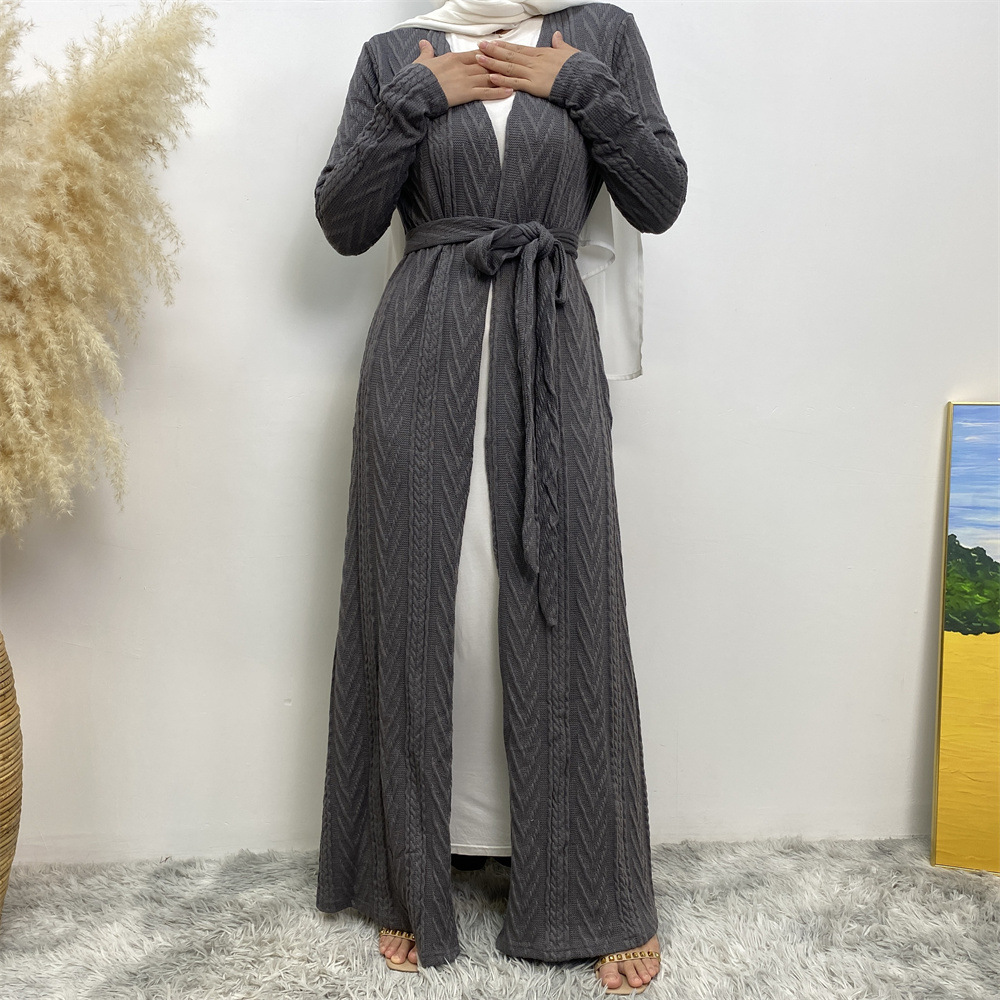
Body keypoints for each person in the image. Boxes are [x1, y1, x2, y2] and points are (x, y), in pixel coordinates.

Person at [313, 1, 687, 993]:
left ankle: (591, 888)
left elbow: (659, 197)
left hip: (548, 339)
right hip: (420, 350)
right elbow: (345, 224)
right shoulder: (394, 52)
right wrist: (414, 98)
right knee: (423, 607)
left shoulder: (600, 35)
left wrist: (580, 86)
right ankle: (410, 875)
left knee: (564, 603)